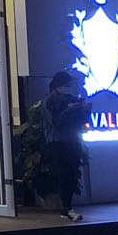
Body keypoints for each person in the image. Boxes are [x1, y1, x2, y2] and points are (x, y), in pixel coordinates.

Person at [42, 70, 89, 222]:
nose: (68, 88)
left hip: (72, 140)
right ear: (58, 85)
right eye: (66, 85)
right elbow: (55, 122)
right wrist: (70, 110)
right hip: (58, 142)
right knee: (64, 173)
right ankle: (67, 207)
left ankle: (67, 207)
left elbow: (81, 118)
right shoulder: (49, 101)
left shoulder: (71, 99)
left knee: (72, 172)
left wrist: (82, 108)